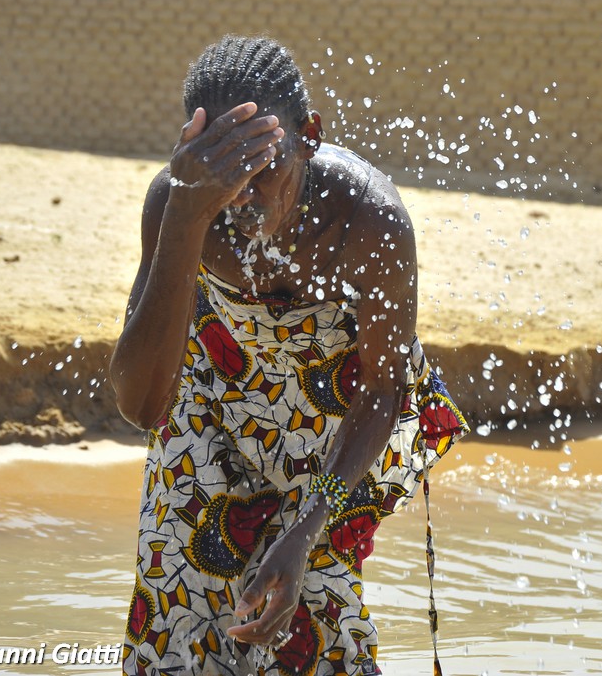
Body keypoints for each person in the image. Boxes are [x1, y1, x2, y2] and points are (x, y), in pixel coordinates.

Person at [110, 35, 467, 676]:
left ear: (310, 137)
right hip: (214, 404)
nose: (242, 194)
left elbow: (382, 388)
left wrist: (307, 528)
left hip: (338, 428)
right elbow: (140, 405)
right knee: (182, 606)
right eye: (224, 169)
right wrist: (187, 215)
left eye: (262, 166)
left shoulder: (368, 220)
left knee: (313, 617)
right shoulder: (180, 204)